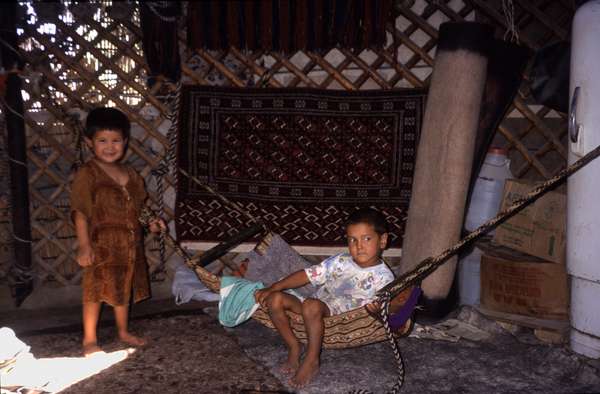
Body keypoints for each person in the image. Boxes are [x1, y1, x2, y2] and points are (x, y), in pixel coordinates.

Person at [254, 208, 394, 388]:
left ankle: (312, 359)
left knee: (311, 305)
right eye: (352, 240)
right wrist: (275, 287)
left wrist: (379, 311)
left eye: (366, 238)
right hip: (311, 306)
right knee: (274, 299)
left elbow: (389, 308)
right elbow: (307, 275)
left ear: (382, 240)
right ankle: (294, 347)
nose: (359, 246)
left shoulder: (384, 278)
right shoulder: (340, 261)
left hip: (339, 319)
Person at [71, 107, 164, 356]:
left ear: (125, 142)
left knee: (123, 288)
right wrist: (84, 246)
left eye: (116, 141)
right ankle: (89, 340)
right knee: (94, 290)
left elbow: (140, 207)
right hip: (101, 245)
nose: (109, 147)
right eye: (102, 141)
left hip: (129, 246)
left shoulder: (131, 174)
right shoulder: (87, 174)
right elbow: (80, 212)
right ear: (90, 142)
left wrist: (151, 221)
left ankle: (122, 331)